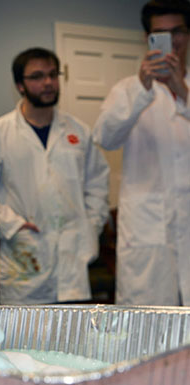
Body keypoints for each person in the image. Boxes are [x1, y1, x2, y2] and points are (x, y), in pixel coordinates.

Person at [0, 48, 110, 305]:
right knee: (22, 339)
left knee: (72, 338)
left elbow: (98, 184)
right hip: (24, 260)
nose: (48, 83)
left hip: (72, 260)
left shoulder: (79, 132)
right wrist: (12, 225)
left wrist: (91, 225)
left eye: (53, 75)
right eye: (38, 76)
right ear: (20, 85)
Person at [93, 0, 190, 306]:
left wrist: (183, 92)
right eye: (161, 33)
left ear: (188, 35)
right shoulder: (127, 89)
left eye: (178, 32)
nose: (171, 40)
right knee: (148, 322)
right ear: (147, 39)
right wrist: (142, 88)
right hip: (147, 231)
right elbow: (105, 137)